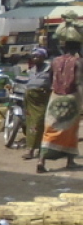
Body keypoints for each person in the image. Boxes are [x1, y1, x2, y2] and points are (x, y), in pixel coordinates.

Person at [37, 32, 83, 173]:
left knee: (50, 129)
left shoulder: (54, 61)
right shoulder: (78, 62)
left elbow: (50, 79)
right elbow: (78, 82)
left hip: (55, 98)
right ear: (77, 48)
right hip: (72, 98)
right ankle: (70, 161)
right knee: (70, 131)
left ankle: (41, 160)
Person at [23, 48, 52, 161]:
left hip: (42, 99)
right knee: (30, 123)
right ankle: (30, 148)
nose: (35, 58)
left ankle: (36, 148)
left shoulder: (49, 68)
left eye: (38, 56)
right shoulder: (31, 70)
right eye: (34, 56)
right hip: (30, 99)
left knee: (39, 122)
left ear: (43, 57)